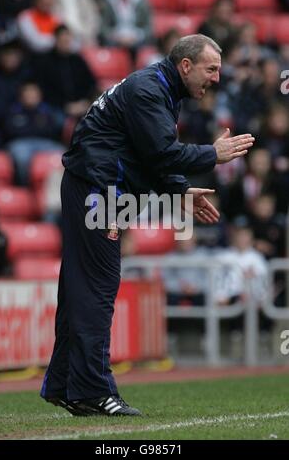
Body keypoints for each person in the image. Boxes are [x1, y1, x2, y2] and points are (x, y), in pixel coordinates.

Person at [40, 34, 255, 416]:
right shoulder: (149, 91)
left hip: (97, 187)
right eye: (211, 69)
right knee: (97, 289)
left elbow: (147, 156)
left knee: (81, 287)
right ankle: (91, 390)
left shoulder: (158, 90)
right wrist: (212, 154)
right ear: (185, 66)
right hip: (98, 192)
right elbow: (160, 152)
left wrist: (179, 191)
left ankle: (64, 383)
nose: (217, 78)